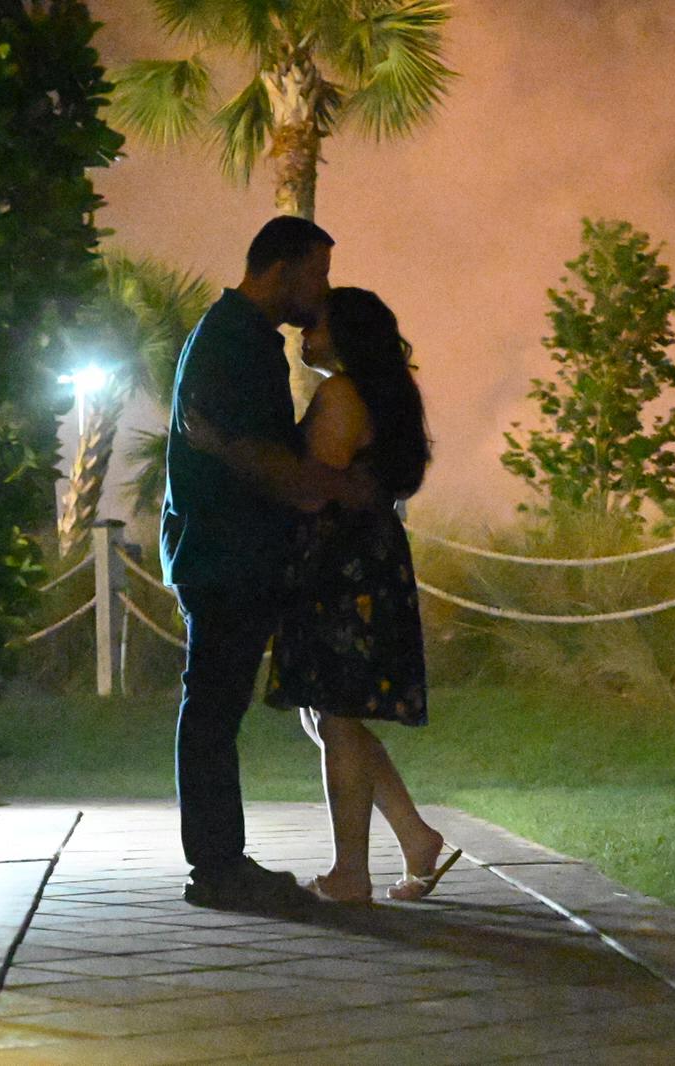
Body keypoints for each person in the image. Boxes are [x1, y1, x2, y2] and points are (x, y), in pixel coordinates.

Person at [187, 286, 459, 904]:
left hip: (340, 565)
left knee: (334, 711)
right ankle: (415, 838)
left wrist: (226, 450)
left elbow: (311, 487)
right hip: (361, 559)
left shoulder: (341, 394)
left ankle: (351, 872)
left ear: (347, 334)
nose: (304, 330)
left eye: (318, 323)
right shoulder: (377, 393)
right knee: (327, 712)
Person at [161, 217, 377, 909]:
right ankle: (218, 867)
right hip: (223, 553)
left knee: (219, 705)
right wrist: (340, 487)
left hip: (227, 551)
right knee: (213, 707)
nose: (324, 290)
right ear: (282, 269)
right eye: (318, 273)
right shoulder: (233, 342)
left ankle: (221, 862)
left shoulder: (242, 337)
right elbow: (261, 460)